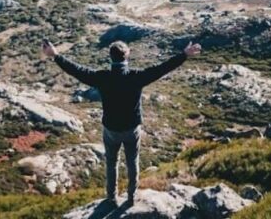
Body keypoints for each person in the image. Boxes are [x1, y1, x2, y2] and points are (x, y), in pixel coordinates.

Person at [42, 38, 201, 206]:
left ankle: (111, 197)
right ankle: (131, 197)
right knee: (132, 162)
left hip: (111, 129)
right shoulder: (137, 76)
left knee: (112, 163)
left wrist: (56, 56)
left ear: (110, 57)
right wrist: (184, 55)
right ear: (127, 55)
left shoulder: (102, 77)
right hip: (132, 128)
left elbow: (77, 70)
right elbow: (161, 69)